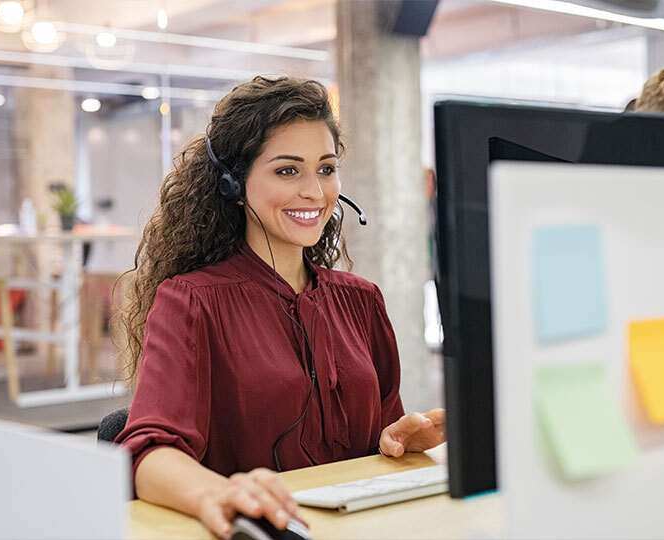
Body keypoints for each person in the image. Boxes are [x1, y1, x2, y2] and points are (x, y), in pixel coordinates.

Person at [114, 75, 445, 539]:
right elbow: (146, 455)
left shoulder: (361, 300)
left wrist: (399, 438)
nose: (314, 191)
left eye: (326, 169)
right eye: (288, 170)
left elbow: (381, 432)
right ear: (234, 183)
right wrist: (218, 493)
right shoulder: (192, 301)